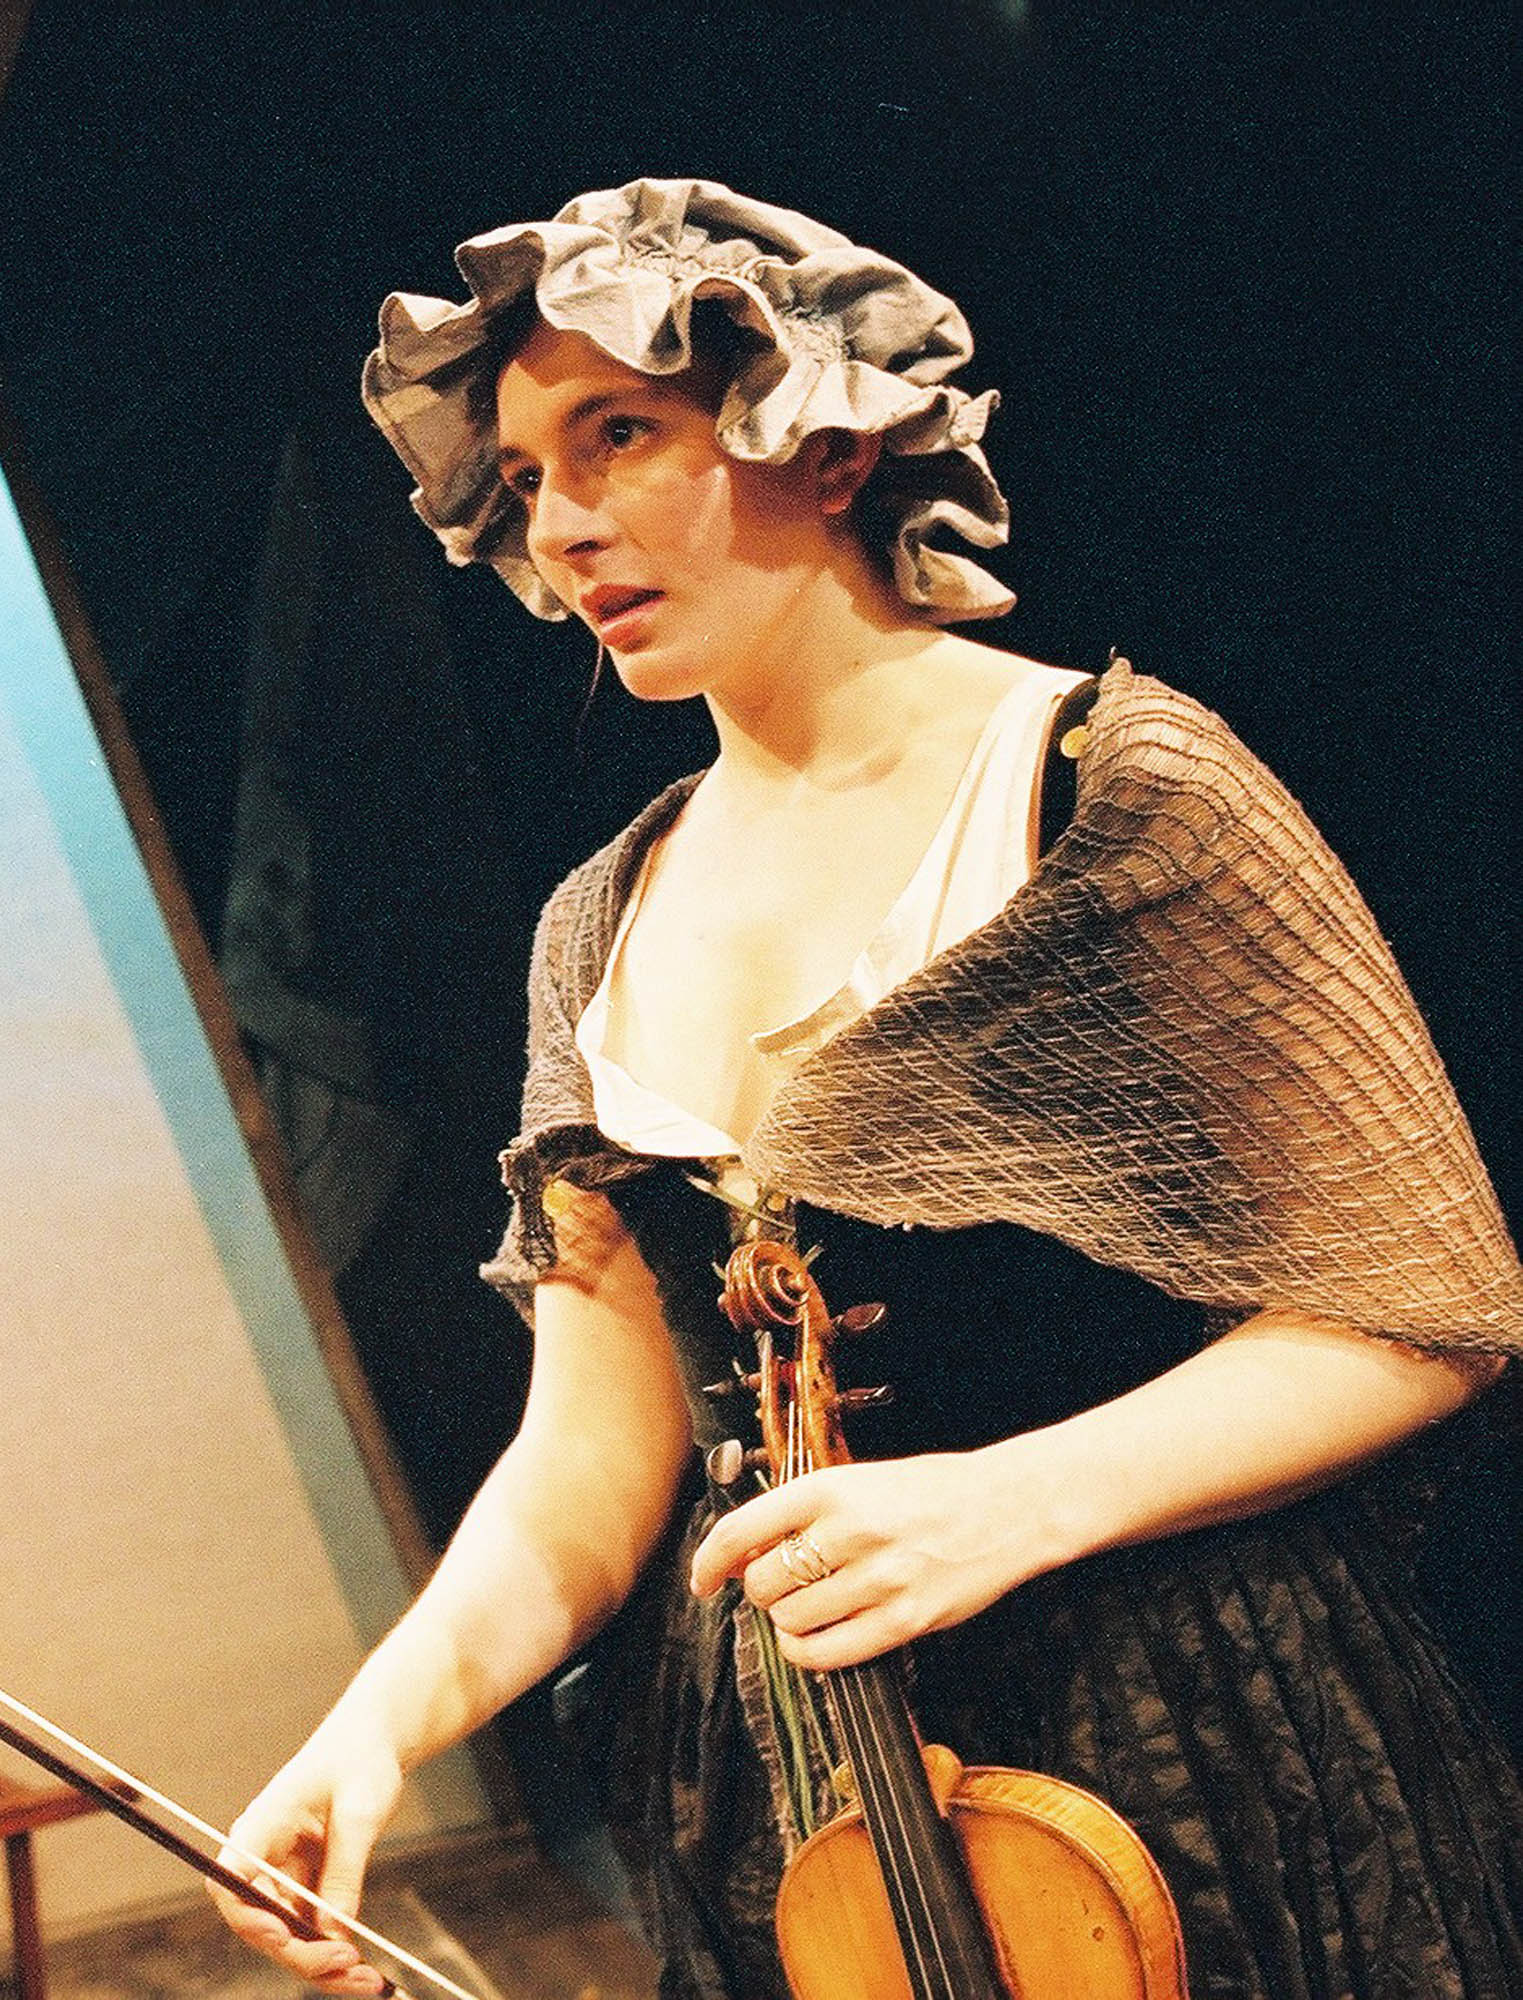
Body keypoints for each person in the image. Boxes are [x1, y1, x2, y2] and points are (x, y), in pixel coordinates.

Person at [214, 180, 1523, 1998]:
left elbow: (1424, 1306)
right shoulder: (597, 923)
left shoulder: (1115, 787)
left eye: (618, 436)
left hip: (1179, 1752)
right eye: (522, 475)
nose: (563, 526)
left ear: (821, 440)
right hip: (797, 1810)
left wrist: (1011, 1500)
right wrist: (380, 1724)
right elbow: (596, 1451)